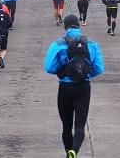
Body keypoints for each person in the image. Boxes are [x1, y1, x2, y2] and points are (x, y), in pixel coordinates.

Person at [44, 15, 104, 158]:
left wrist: (63, 72)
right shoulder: (91, 44)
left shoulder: (58, 44)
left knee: (66, 126)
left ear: (65, 27)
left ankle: (68, 153)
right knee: (80, 126)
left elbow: (48, 67)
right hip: (83, 88)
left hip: (65, 87)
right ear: (79, 26)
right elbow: (99, 68)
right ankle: (74, 151)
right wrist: (85, 74)